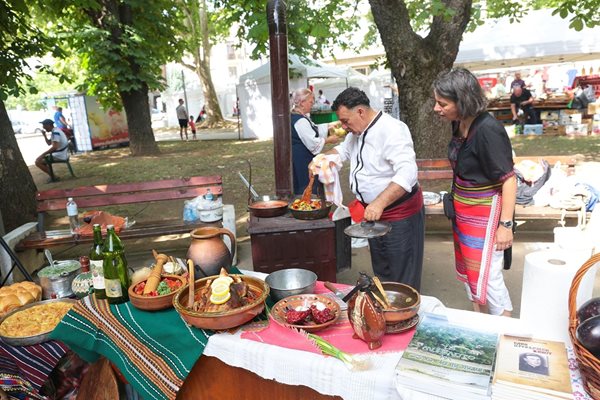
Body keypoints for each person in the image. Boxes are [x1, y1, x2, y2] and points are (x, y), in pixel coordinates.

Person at [433, 67, 515, 316]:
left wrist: (505, 226)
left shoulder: (488, 130)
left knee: (489, 277)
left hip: (486, 217)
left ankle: (504, 331)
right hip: (465, 215)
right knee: (471, 271)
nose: (436, 109)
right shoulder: (459, 123)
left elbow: (509, 180)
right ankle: (480, 325)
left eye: (442, 103)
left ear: (463, 101)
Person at [325, 87, 425, 290]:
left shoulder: (393, 129)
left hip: (399, 216)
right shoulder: (357, 132)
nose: (343, 127)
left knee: (403, 274)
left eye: (346, 121)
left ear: (360, 112)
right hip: (372, 214)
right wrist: (322, 159)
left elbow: (407, 172)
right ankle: (387, 306)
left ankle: (404, 314)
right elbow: (342, 151)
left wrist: (379, 202)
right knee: (383, 269)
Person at [290, 88, 339, 194]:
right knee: (306, 184)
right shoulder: (300, 121)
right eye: (311, 102)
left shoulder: (298, 117)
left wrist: (330, 125)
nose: (312, 104)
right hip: (302, 159)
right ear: (302, 102)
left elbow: (313, 128)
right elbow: (313, 143)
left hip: (298, 157)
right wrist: (328, 140)